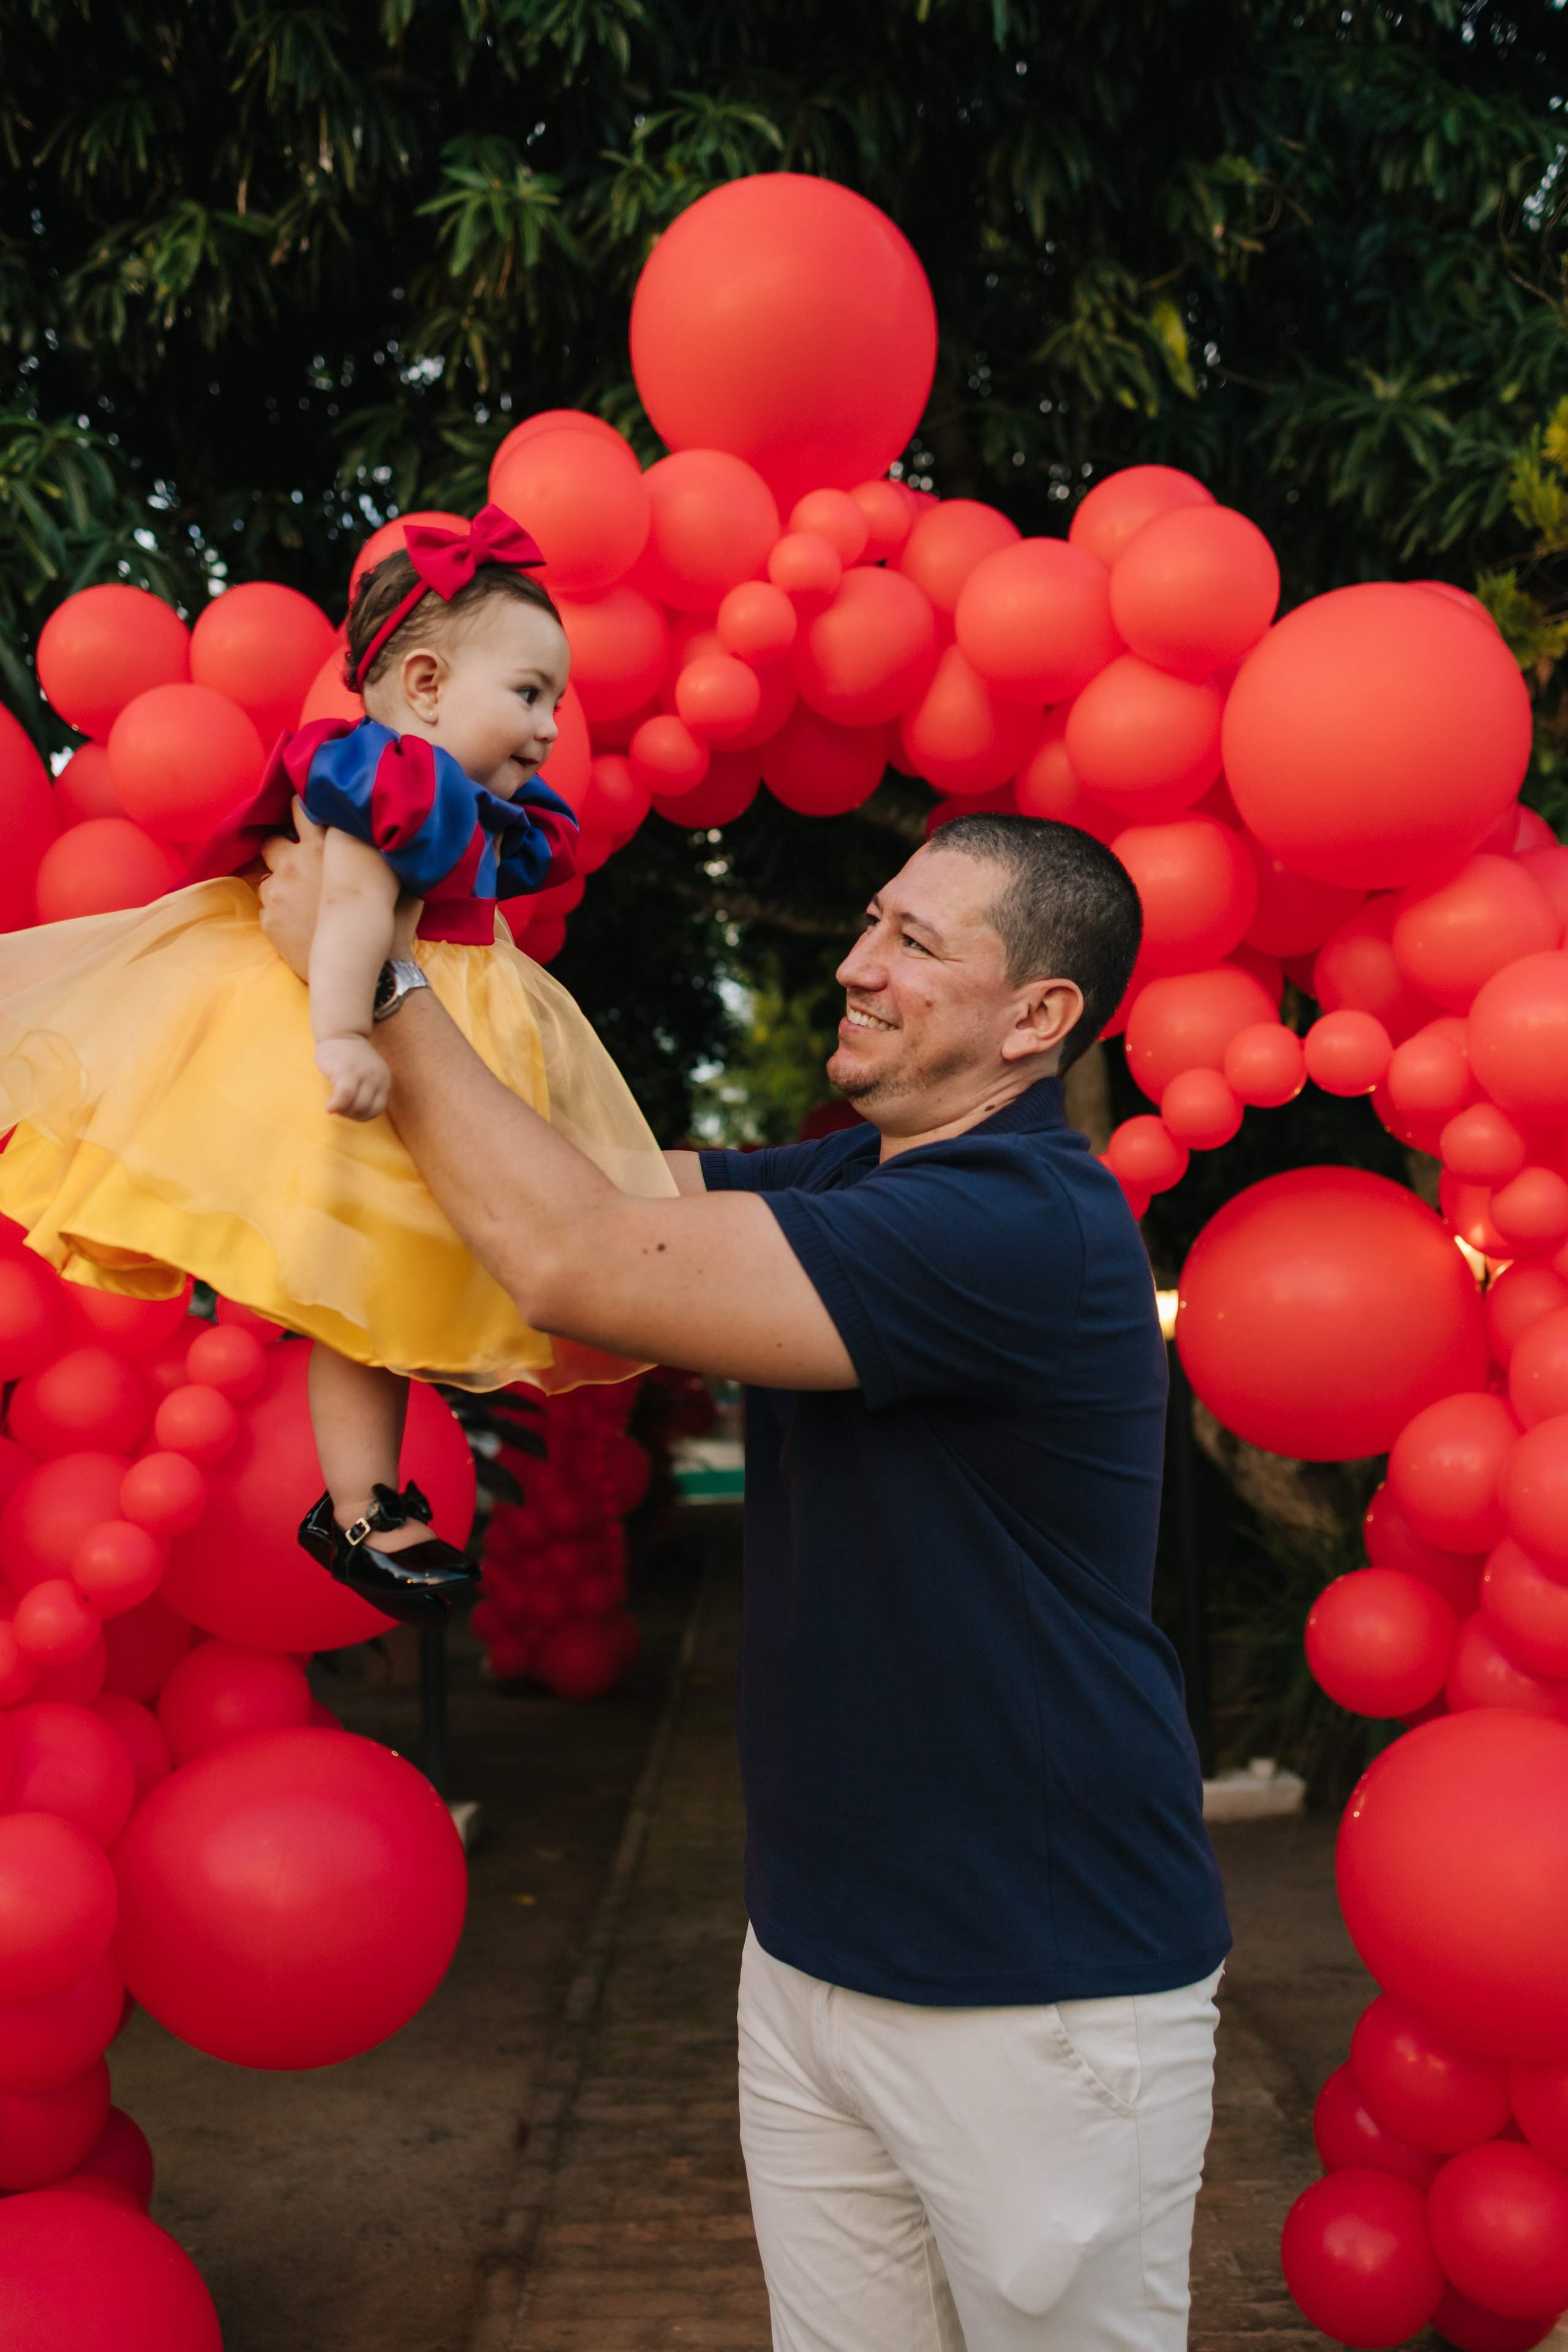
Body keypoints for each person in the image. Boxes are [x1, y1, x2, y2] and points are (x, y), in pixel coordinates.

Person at [257, 807, 1231, 2352]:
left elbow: (577, 1259)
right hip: (811, 1956)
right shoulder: (856, 1172)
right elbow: (582, 1182)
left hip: (1034, 1996)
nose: (856, 964)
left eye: (915, 943)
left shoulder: (1019, 1225)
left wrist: (372, 983)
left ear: (1038, 1018)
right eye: (869, 922)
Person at [0, 508, 674, 1626]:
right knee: (372, 1295)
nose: (553, 727)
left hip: (442, 1031)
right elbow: (350, 915)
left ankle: (359, 1510)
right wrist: (346, 1040)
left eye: (556, 700)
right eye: (530, 694)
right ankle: (362, 1505)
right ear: (420, 684)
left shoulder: (465, 798)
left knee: (383, 1304)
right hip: (358, 1032)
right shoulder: (386, 778)